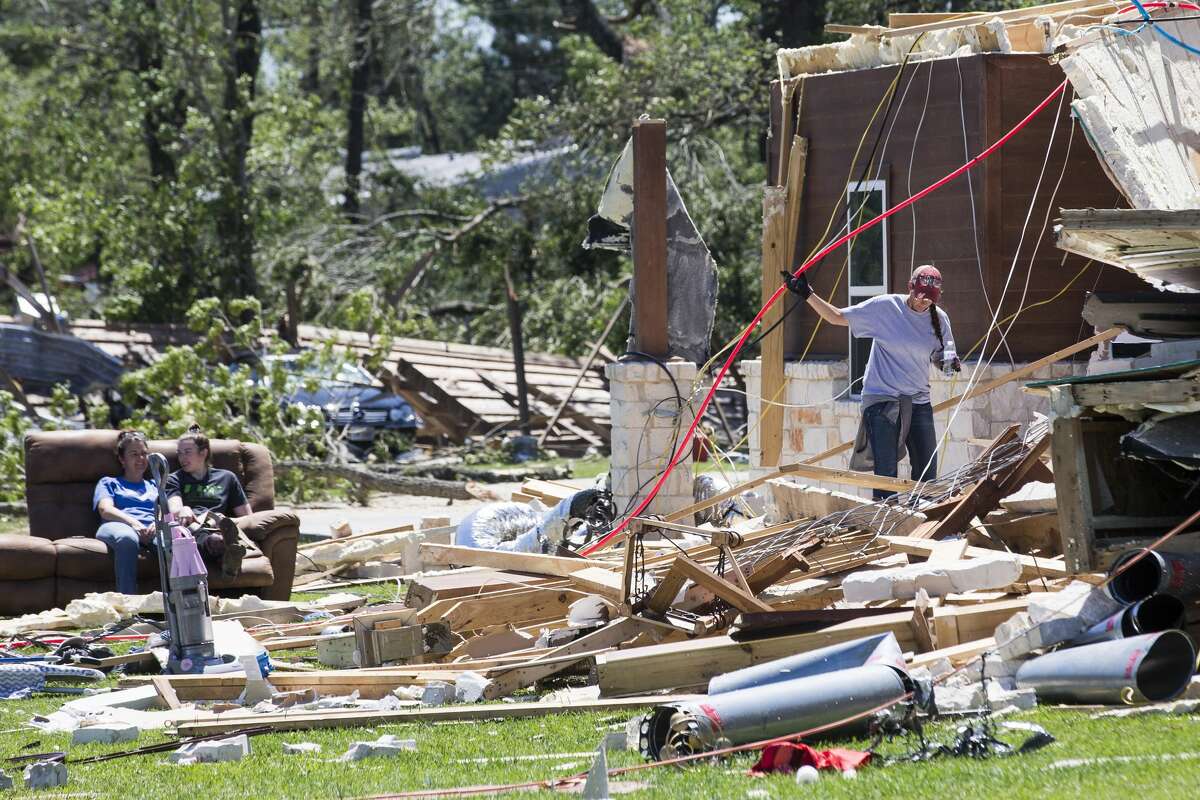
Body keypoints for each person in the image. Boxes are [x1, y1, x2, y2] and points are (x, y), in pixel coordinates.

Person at [784, 264, 961, 500]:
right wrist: (807, 294)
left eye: (929, 299)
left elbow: (942, 357)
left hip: (918, 400)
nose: (923, 302)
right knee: (886, 474)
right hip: (882, 399)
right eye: (919, 296)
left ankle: (924, 522)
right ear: (910, 287)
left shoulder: (939, 319)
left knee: (927, 472)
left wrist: (948, 365)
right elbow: (836, 317)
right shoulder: (885, 308)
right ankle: (887, 520)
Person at [163, 425, 254, 577]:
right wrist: (183, 509)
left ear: (203, 453)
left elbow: (247, 515)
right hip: (194, 527)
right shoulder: (174, 479)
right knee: (211, 539)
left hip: (222, 525)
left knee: (220, 534)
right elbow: (174, 507)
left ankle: (228, 551)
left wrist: (227, 521)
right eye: (179, 453)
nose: (182, 458)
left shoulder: (226, 478)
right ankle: (227, 555)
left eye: (187, 452)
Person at [94, 430, 158, 594]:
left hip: (151, 528)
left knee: (171, 543)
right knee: (127, 538)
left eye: (144, 453)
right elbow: (105, 509)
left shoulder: (154, 485)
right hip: (117, 525)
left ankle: (177, 603)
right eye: (134, 454)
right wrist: (133, 523)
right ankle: (129, 606)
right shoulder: (109, 483)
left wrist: (156, 524)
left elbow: (165, 511)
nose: (141, 458)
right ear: (122, 459)